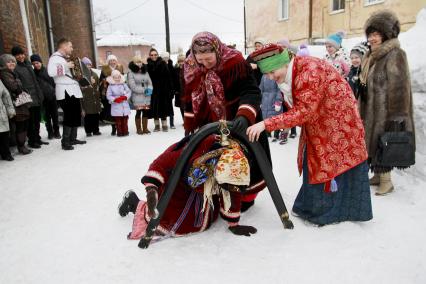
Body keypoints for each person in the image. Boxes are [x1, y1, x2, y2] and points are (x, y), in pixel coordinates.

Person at [247, 43, 373, 226]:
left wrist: (266, 124)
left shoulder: (309, 71)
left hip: (338, 126)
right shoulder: (295, 70)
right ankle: (312, 207)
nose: (271, 77)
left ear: (283, 63)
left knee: (327, 165)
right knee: (315, 162)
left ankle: (329, 213)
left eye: (272, 72)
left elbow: (304, 111)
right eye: (267, 74)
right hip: (323, 123)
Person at [183, 31, 271, 208]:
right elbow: (188, 96)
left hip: (240, 119)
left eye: (209, 60)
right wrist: (191, 124)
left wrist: (244, 115)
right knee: (215, 159)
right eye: (201, 61)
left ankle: (245, 198)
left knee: (247, 159)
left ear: (217, 50)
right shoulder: (190, 65)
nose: (205, 64)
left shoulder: (235, 62)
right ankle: (218, 195)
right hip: (210, 122)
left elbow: (251, 91)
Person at [118, 134, 262, 241]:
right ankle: (134, 202)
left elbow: (232, 190)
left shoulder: (233, 161)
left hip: (203, 199)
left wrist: (234, 224)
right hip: (178, 191)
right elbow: (160, 164)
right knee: (167, 221)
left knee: (194, 223)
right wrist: (151, 191)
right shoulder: (189, 150)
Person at [359, 10, 415, 196]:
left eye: (376, 35)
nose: (372, 39)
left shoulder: (395, 54)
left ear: (386, 35)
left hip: (387, 110)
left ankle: (387, 181)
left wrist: (397, 116)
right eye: (370, 35)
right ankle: (377, 175)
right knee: (372, 142)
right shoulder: (370, 56)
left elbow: (400, 87)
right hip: (370, 108)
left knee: (384, 142)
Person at [47, 38, 86, 150]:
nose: (72, 48)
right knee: (69, 115)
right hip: (64, 90)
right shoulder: (55, 58)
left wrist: (82, 80)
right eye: (70, 46)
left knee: (75, 114)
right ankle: (65, 141)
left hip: (74, 89)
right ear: (63, 46)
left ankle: (73, 138)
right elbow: (50, 72)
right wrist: (65, 66)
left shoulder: (67, 58)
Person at [12, 46, 47, 148]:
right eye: (17, 55)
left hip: (36, 96)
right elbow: (19, 85)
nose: (20, 56)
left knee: (37, 120)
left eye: (22, 54)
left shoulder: (28, 64)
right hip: (27, 98)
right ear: (14, 56)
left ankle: (37, 138)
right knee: (31, 122)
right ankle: (32, 141)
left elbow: (35, 81)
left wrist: (40, 94)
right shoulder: (16, 68)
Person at [0, 54, 32, 155]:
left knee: (22, 125)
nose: (12, 63)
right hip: (15, 105)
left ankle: (22, 145)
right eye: (8, 62)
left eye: (13, 61)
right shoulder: (5, 73)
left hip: (19, 103)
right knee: (20, 125)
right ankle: (21, 147)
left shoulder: (12, 73)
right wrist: (18, 82)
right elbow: (14, 88)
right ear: (3, 64)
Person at [30, 54, 61, 140]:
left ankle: (57, 131)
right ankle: (50, 132)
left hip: (52, 97)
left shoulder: (48, 71)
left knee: (55, 115)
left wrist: (54, 93)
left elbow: (54, 83)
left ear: (41, 62)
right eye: (34, 64)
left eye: (37, 63)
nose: (36, 65)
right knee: (47, 117)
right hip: (43, 99)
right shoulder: (33, 74)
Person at [147, 48, 174, 132]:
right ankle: (157, 125)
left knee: (163, 107)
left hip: (163, 89)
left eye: (155, 55)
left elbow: (169, 77)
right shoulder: (147, 65)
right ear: (149, 56)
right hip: (153, 90)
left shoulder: (163, 64)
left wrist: (170, 90)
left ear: (157, 55)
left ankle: (164, 125)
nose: (153, 56)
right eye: (152, 55)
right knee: (154, 107)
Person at [99, 54, 124, 136]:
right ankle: (114, 128)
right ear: (108, 62)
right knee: (111, 111)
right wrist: (106, 80)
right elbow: (101, 81)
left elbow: (123, 78)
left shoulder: (120, 68)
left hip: (119, 92)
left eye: (114, 60)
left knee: (119, 110)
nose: (113, 62)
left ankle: (120, 127)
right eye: (111, 60)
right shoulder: (104, 70)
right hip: (109, 93)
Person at [128, 55, 153, 135]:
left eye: (140, 62)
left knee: (145, 112)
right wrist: (144, 90)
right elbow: (133, 86)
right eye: (137, 62)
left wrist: (149, 89)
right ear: (134, 63)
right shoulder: (131, 73)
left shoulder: (145, 72)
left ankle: (145, 128)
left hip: (146, 96)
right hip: (137, 96)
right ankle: (139, 129)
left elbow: (150, 82)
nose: (139, 64)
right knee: (139, 112)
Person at [259, 74, 284, 143]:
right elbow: (260, 88)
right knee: (266, 117)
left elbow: (280, 89)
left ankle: (276, 134)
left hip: (274, 99)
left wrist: (278, 101)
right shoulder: (263, 76)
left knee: (276, 117)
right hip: (265, 100)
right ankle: (268, 134)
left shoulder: (276, 75)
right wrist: (259, 100)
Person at [81, 57, 102, 136]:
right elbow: (80, 86)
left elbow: (97, 85)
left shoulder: (95, 74)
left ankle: (96, 130)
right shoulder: (81, 75)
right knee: (88, 116)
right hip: (86, 98)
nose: (88, 66)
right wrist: (89, 82)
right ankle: (88, 131)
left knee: (96, 115)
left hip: (95, 97)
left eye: (89, 64)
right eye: (86, 65)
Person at [106, 70, 131, 137]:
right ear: (112, 78)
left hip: (124, 105)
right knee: (118, 121)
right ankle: (119, 132)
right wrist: (114, 99)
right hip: (116, 106)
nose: (117, 79)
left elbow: (129, 92)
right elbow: (108, 95)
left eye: (118, 77)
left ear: (120, 77)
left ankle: (125, 131)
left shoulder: (124, 84)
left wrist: (125, 97)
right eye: (115, 77)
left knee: (125, 120)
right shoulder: (110, 86)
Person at [0, 80, 15, 161]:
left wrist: (10, 110)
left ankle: (6, 154)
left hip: (1, 112)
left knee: (4, 134)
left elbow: (6, 95)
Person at [160, 51, 176, 129]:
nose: (166, 59)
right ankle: (164, 123)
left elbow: (173, 77)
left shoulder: (171, 65)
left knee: (170, 107)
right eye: (164, 58)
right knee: (164, 107)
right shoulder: (160, 66)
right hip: (163, 91)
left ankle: (172, 123)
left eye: (167, 57)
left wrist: (173, 90)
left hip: (170, 90)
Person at [172, 54, 185, 120]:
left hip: (186, 91)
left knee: (187, 106)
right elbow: (173, 80)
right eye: (180, 61)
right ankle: (184, 120)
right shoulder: (175, 70)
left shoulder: (187, 69)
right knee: (181, 106)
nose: (181, 62)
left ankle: (189, 121)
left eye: (182, 61)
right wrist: (175, 90)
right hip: (179, 91)